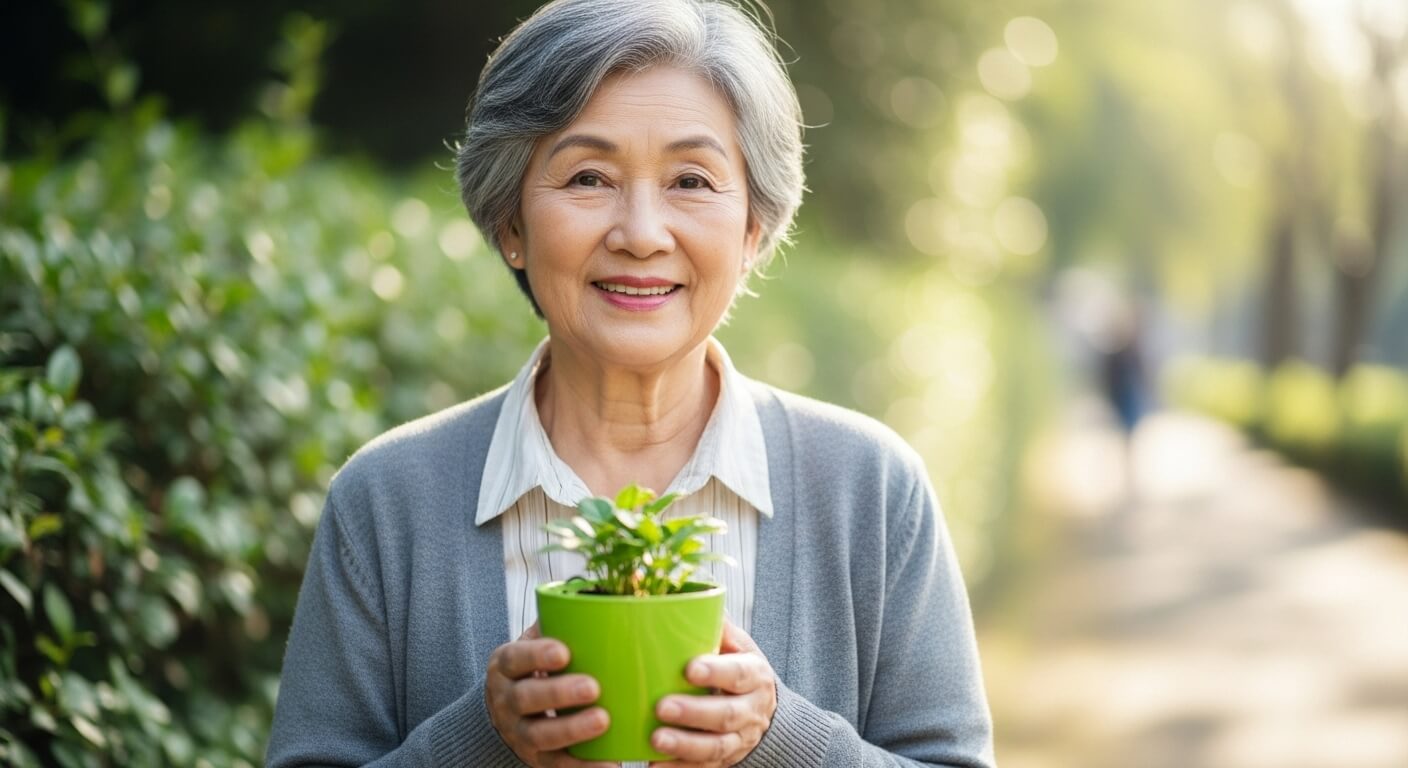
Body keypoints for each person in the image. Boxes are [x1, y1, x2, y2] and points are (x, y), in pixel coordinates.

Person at [265, 1, 993, 766]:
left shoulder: (872, 492)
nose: (642, 234)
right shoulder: (385, 503)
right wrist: (484, 739)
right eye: (589, 177)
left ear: (753, 229)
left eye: (691, 180)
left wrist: (780, 737)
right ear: (511, 225)